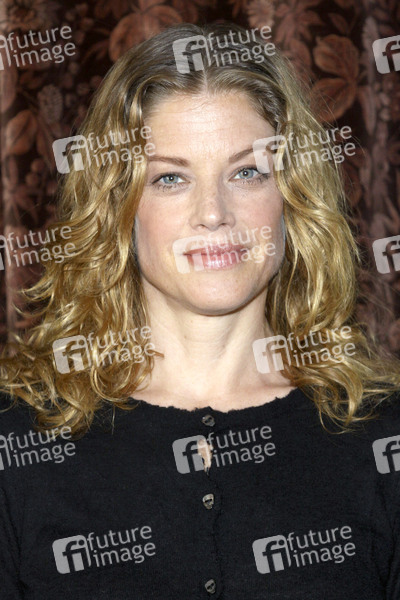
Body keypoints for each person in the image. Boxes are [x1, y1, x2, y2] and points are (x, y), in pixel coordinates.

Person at [1, 21, 400, 599]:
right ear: (118, 207)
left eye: (247, 172)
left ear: (292, 198)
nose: (213, 213)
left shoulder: (381, 437)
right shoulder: (22, 439)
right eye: (170, 178)